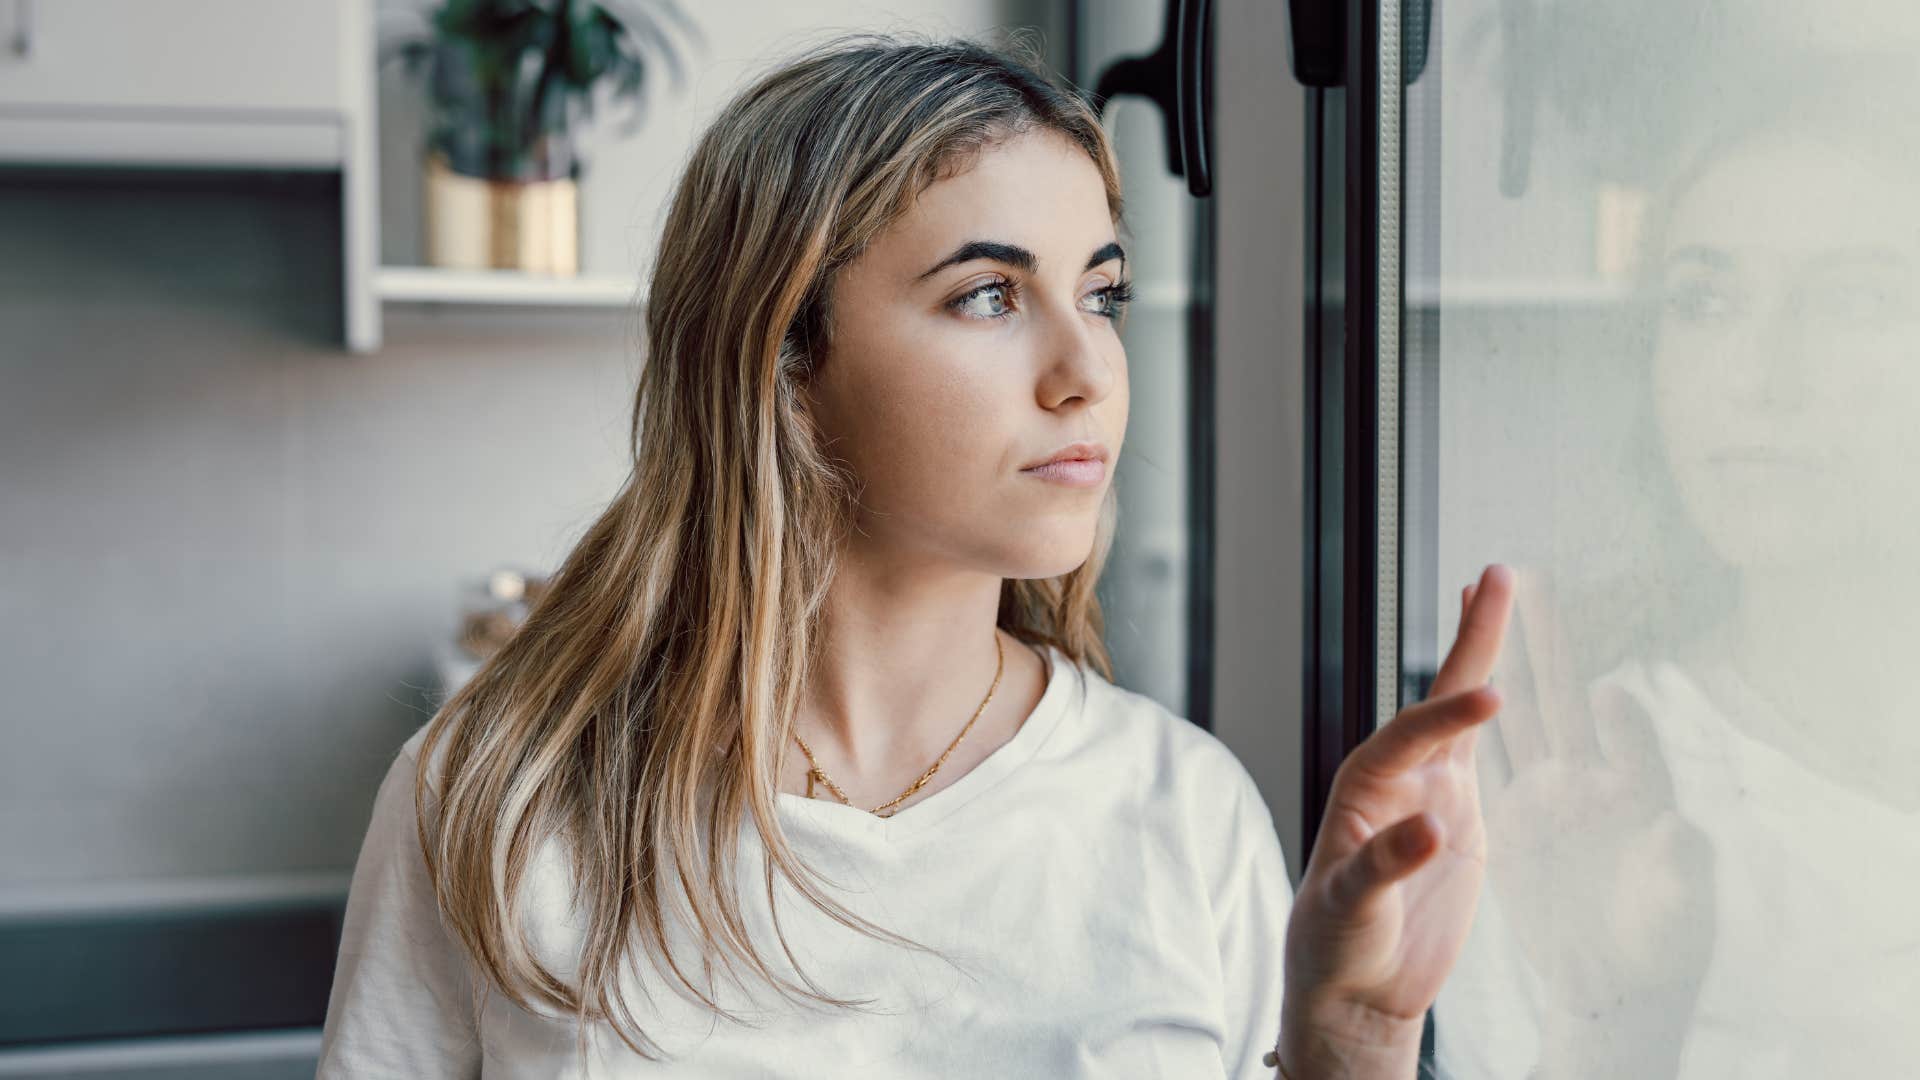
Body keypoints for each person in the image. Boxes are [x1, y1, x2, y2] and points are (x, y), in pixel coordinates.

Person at [316, 33, 1515, 1079]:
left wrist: (1350, 1049)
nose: (1087, 370)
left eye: (1102, 294)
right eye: (989, 295)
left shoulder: (1183, 813)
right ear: (783, 358)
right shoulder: (498, 799)